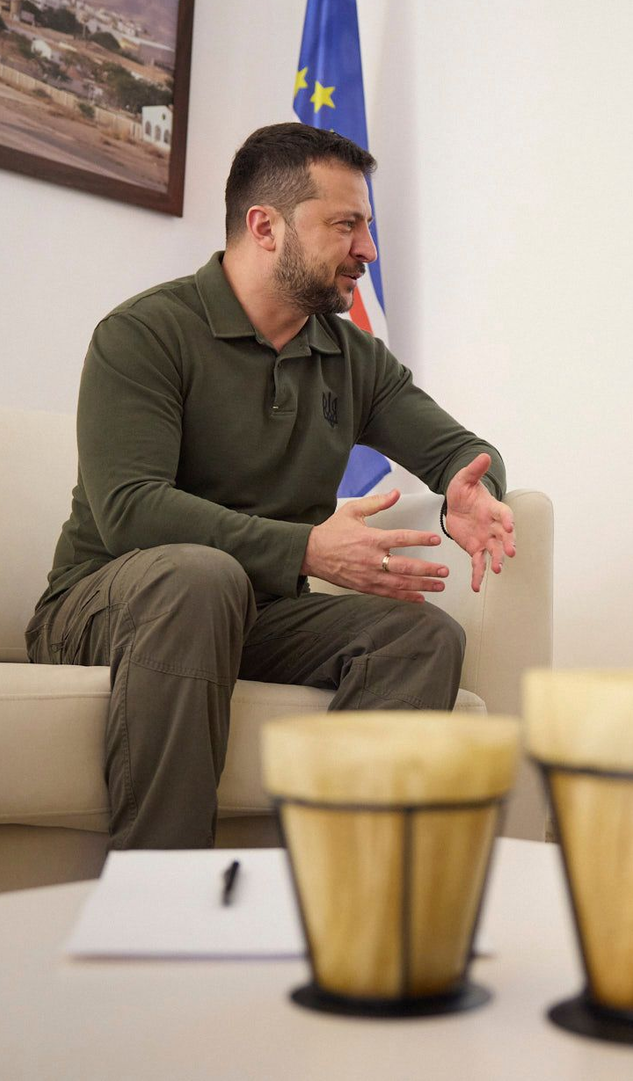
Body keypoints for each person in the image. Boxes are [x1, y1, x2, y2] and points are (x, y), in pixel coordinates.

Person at [25, 123, 516, 851]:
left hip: (255, 613)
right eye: (346, 225)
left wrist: (472, 489)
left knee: (421, 636)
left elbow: (460, 451)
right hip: (108, 607)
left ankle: (331, 884)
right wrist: (306, 550)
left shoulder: (353, 358)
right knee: (202, 577)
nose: (368, 250)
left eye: (367, 227)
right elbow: (131, 510)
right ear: (265, 227)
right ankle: (159, 891)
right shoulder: (144, 333)